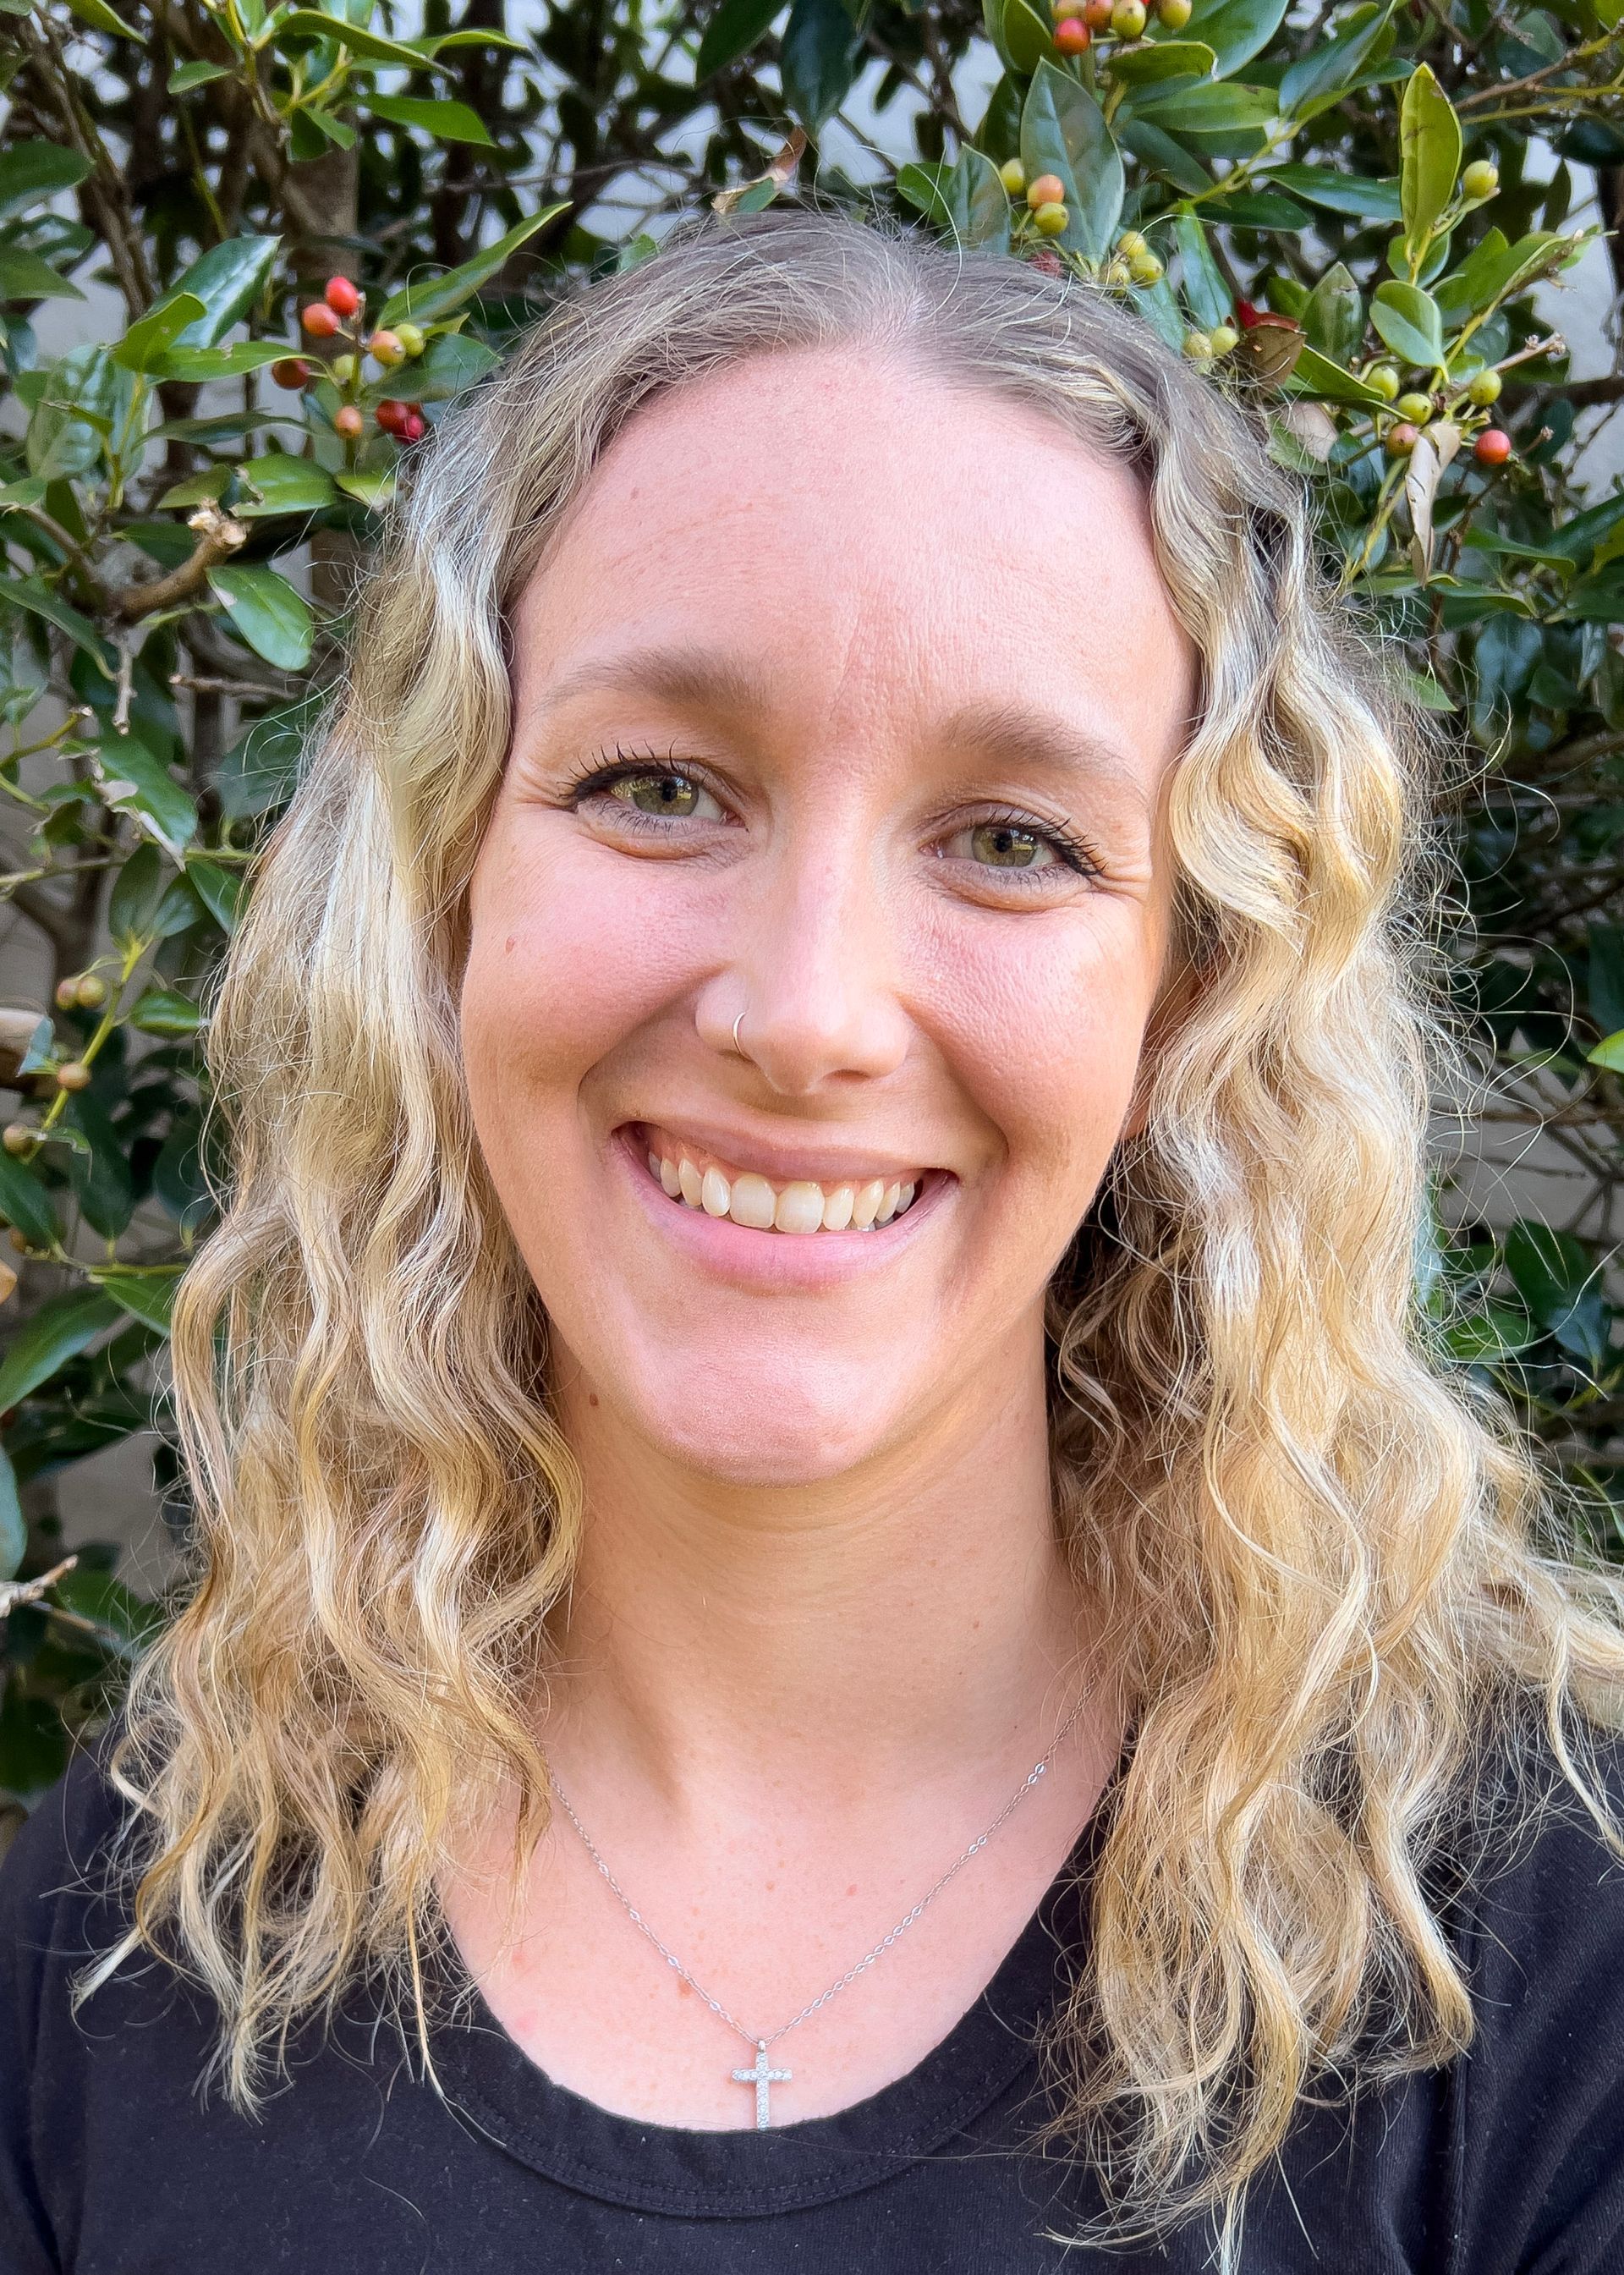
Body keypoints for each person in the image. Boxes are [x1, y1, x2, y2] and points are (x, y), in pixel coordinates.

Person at [4, 202, 1624, 2275]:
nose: (807, 1010)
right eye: (661, 783)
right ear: (441, 896)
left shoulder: (1529, 1944)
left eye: (1016, 841)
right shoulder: (150, 1920)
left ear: (1189, 996)